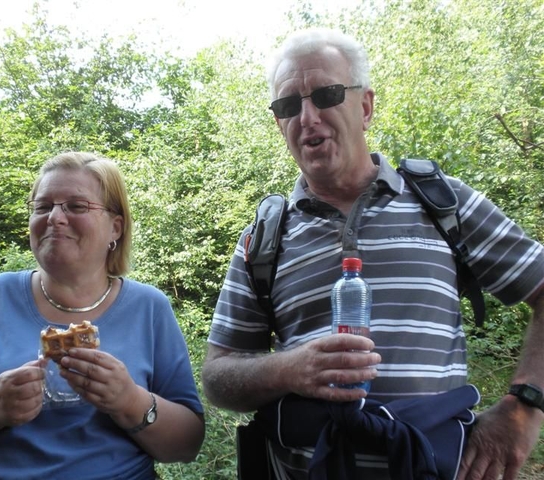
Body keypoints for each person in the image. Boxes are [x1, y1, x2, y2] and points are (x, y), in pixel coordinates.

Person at [201, 27, 544, 480]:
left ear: (364, 107)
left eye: (326, 94)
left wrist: (525, 406)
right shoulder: (265, 238)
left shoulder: (444, 203)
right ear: (280, 124)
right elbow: (217, 377)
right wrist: (289, 369)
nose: (307, 117)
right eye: (288, 106)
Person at [0, 152, 205, 479]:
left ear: (115, 227)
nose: (54, 217)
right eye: (42, 207)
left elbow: (186, 445)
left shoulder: (148, 307)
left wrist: (129, 401)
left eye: (77, 206)